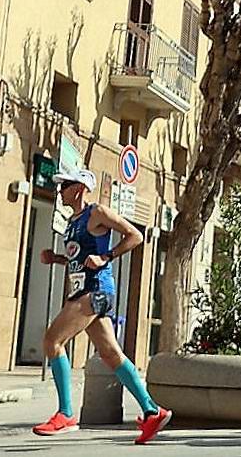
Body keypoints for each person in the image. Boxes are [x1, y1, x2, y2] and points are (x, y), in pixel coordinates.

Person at [32, 169, 170, 444]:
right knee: (111, 354)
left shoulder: (98, 213)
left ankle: (66, 414)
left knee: (52, 340)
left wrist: (106, 256)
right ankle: (152, 411)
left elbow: (135, 236)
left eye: (65, 186)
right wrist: (57, 259)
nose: (60, 191)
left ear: (79, 189)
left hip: (95, 289)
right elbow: (79, 258)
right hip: (85, 289)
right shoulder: (72, 221)